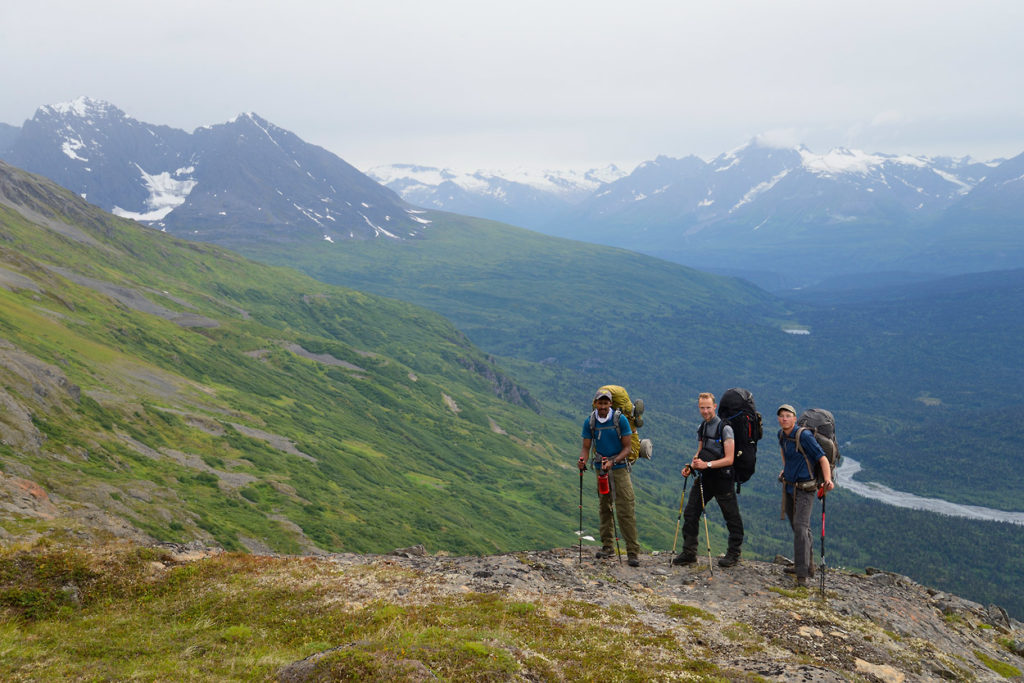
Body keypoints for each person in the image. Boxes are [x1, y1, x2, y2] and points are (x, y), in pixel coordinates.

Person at [673, 392, 744, 568]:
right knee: (691, 513)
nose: (705, 411)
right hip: (705, 477)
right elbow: (699, 452)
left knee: (731, 517)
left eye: (708, 407)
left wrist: (707, 465)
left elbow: (729, 459)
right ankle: (689, 553)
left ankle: (734, 554)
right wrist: (692, 466)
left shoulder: (725, 429)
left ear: (715, 406)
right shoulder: (703, 427)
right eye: (702, 408)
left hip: (722, 478)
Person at [578, 388, 641, 566]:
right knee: (605, 507)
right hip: (601, 468)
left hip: (619, 468)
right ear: (595, 403)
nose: (603, 406)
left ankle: (632, 552)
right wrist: (582, 459)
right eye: (600, 403)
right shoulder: (590, 422)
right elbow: (586, 446)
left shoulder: (619, 419)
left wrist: (613, 461)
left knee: (625, 508)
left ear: (611, 404)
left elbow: (627, 448)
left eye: (606, 403)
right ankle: (607, 546)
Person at [776, 403, 835, 585]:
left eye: (788, 416)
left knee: (801, 528)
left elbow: (822, 458)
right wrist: (785, 470)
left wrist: (828, 480)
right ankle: (808, 566)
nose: (784, 419)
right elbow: (785, 452)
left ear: (795, 419)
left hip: (806, 488)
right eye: (781, 416)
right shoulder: (781, 435)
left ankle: (802, 576)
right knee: (799, 527)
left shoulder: (805, 436)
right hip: (789, 486)